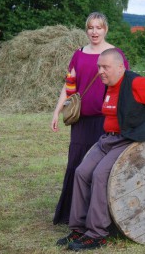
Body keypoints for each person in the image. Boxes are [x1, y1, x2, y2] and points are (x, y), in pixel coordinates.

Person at [56, 48, 145, 251]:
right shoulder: (109, 84)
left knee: (101, 174)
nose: (101, 71)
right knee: (81, 172)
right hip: (107, 139)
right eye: (99, 67)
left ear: (120, 67)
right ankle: (78, 228)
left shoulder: (136, 82)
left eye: (105, 67)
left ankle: (97, 233)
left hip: (128, 140)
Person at [51, 12, 129, 225]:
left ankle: (102, 216)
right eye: (91, 28)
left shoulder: (115, 54)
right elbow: (69, 87)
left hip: (107, 121)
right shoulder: (78, 55)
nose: (94, 32)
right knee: (76, 165)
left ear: (106, 30)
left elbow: (125, 86)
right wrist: (57, 111)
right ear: (86, 30)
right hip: (81, 121)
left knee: (101, 168)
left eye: (99, 27)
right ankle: (71, 213)